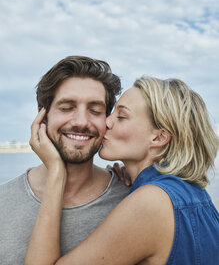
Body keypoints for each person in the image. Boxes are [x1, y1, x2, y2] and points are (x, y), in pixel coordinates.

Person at [25, 76, 219, 265]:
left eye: (122, 116)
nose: (107, 122)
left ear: (159, 138)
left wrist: (57, 172)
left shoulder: (150, 203)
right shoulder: (193, 194)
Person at [0, 56, 129, 265]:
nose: (81, 122)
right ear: (42, 116)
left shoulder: (131, 197)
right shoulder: (3, 202)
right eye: (67, 107)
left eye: (95, 110)